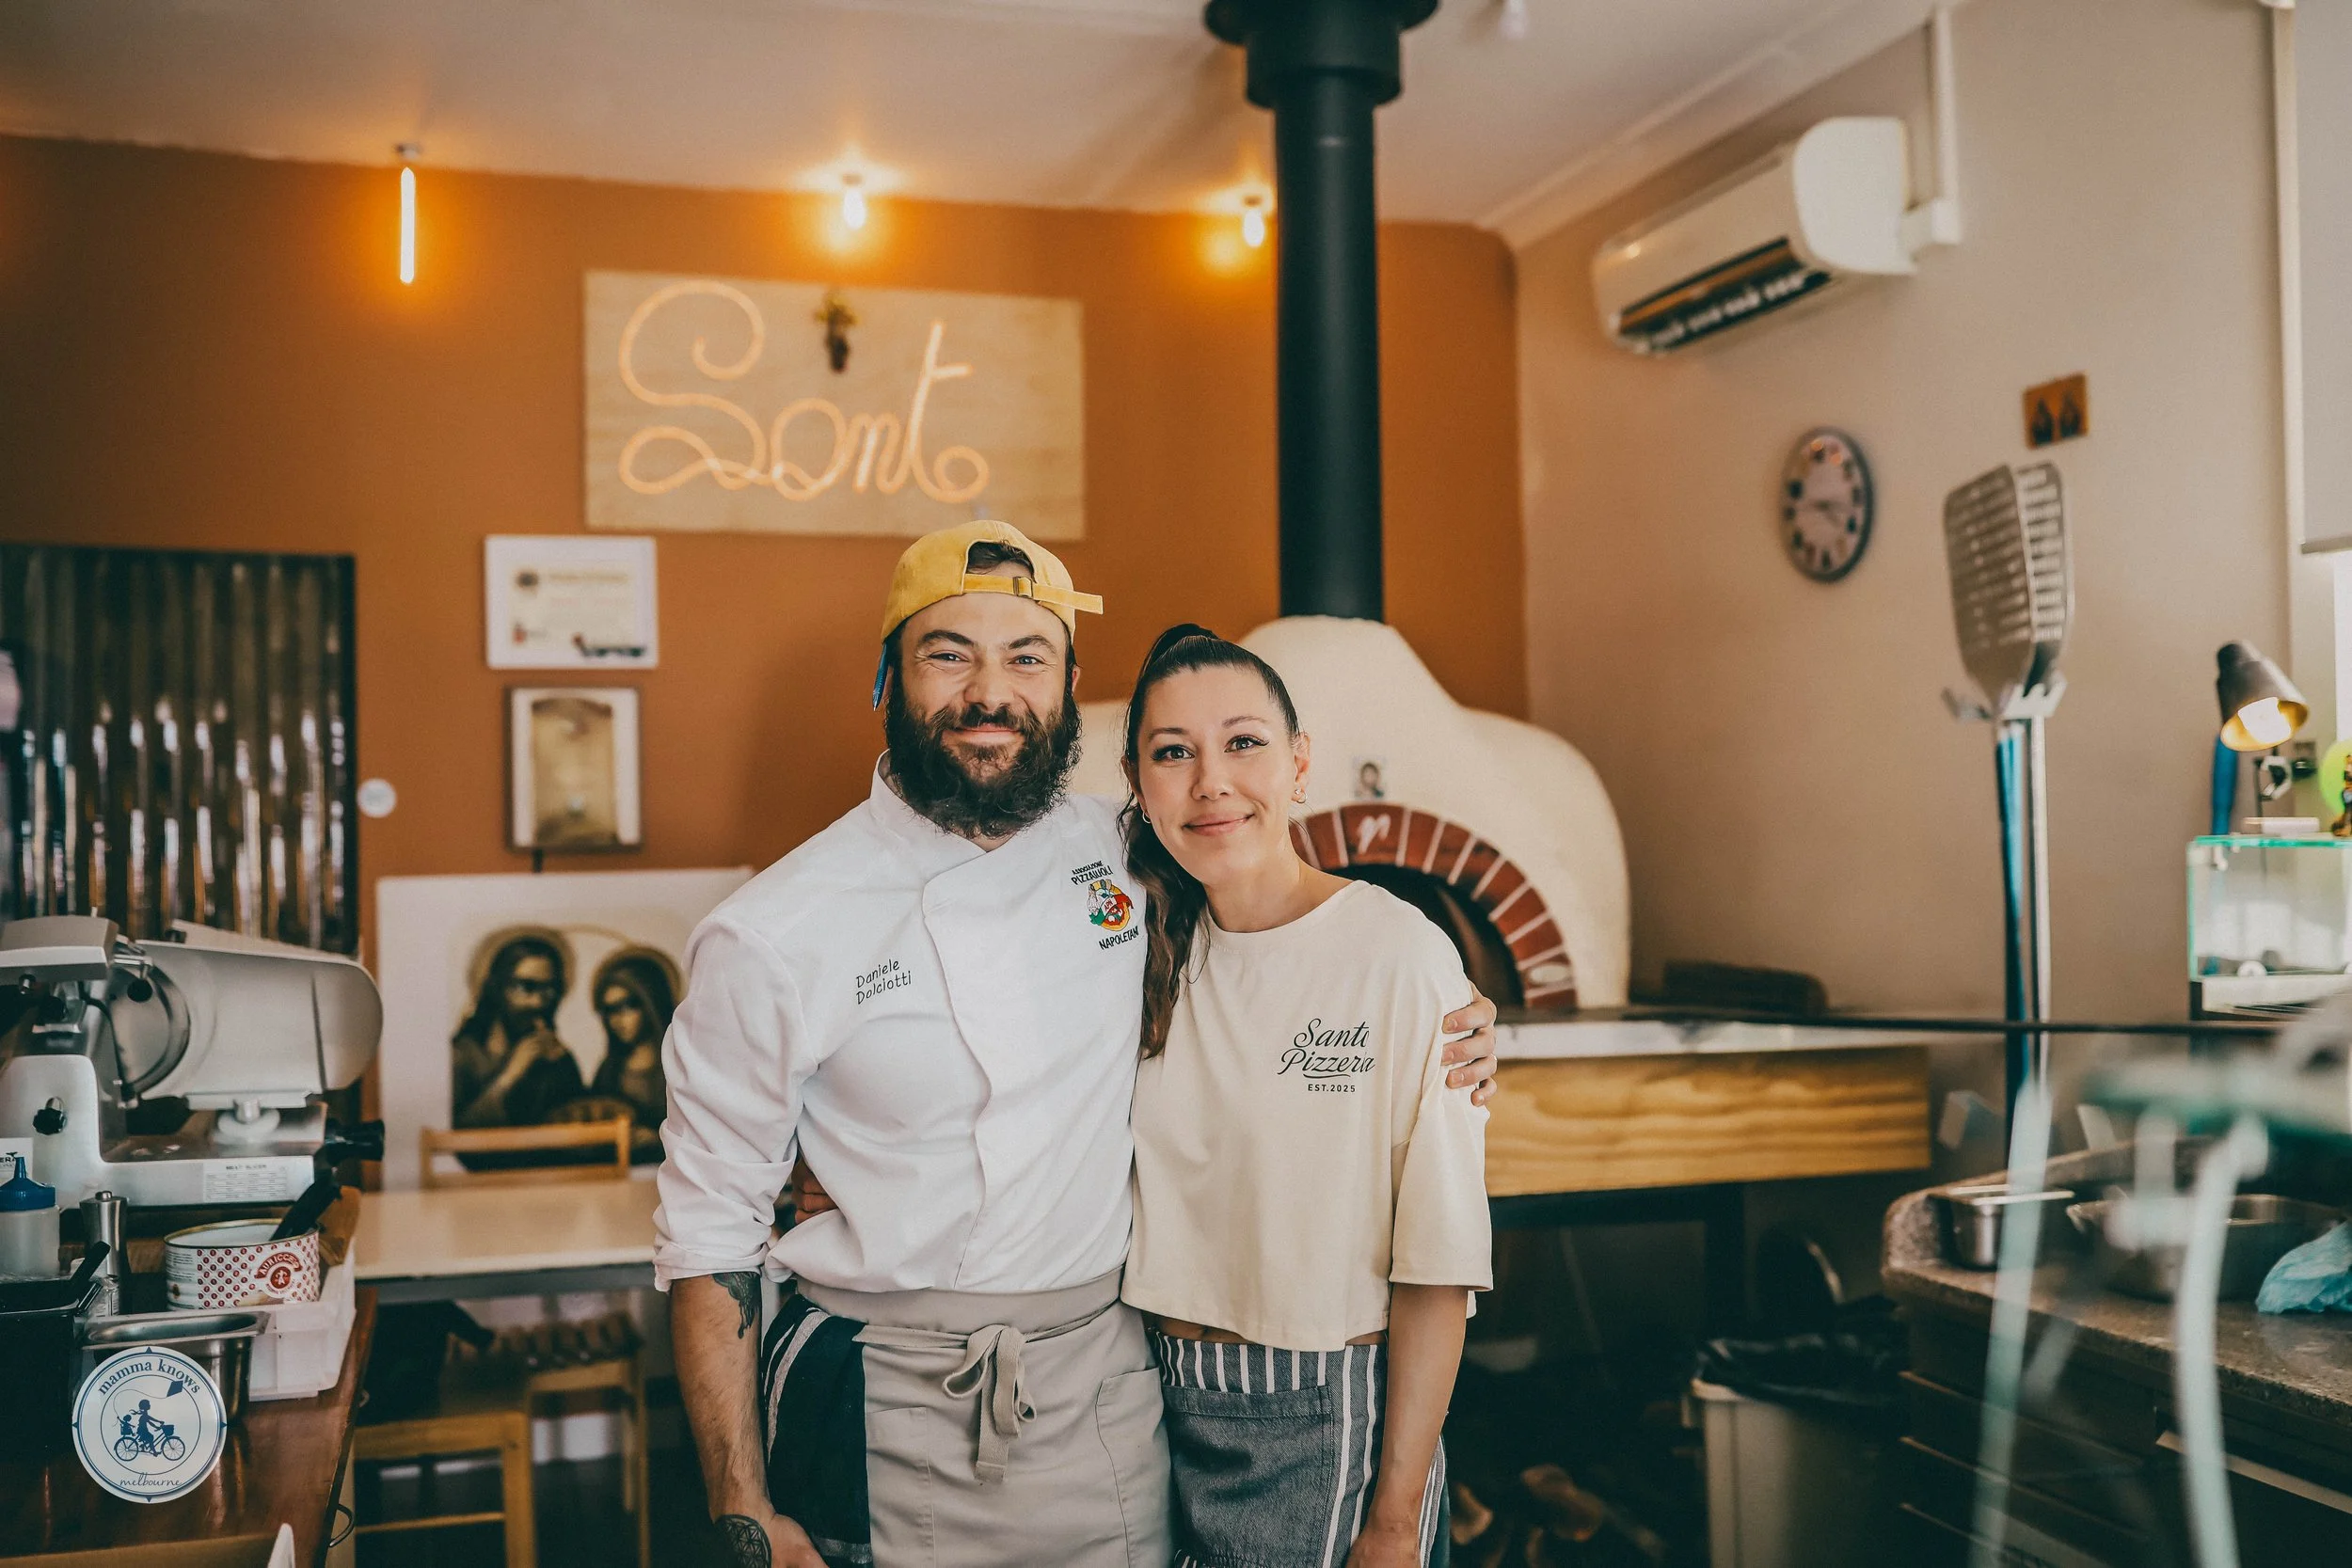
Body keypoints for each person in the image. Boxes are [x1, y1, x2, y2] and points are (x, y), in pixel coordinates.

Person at [655, 520, 1503, 1568]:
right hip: (877, 1393)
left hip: (1108, 1385)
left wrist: (1439, 1000)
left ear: (1066, 692)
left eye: (1027, 656)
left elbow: (1286, 916)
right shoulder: (775, 927)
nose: (989, 690)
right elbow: (706, 1231)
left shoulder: (1122, 847)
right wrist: (744, 1507)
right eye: (946, 652)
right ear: (887, 678)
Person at [1118, 626, 1489, 1568]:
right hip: (1148, 1403)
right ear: (1138, 780)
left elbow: (1438, 1265)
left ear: (1298, 763)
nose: (1210, 780)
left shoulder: (1397, 954)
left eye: (1242, 741)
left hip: (1330, 1413)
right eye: (1173, 752)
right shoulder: (1131, 952)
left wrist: (1396, 1519)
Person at [451, 931, 582, 1129]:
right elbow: (457, 1134)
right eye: (526, 987)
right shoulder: (463, 1056)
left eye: (549, 989)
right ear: (497, 988)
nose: (538, 1002)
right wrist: (510, 1075)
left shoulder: (560, 1061)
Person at [588, 949, 677, 1158]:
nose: (617, 1019)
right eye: (610, 1010)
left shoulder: (678, 1062)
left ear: (651, 1002)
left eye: (628, 1006)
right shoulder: (610, 1070)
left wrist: (657, 1138)